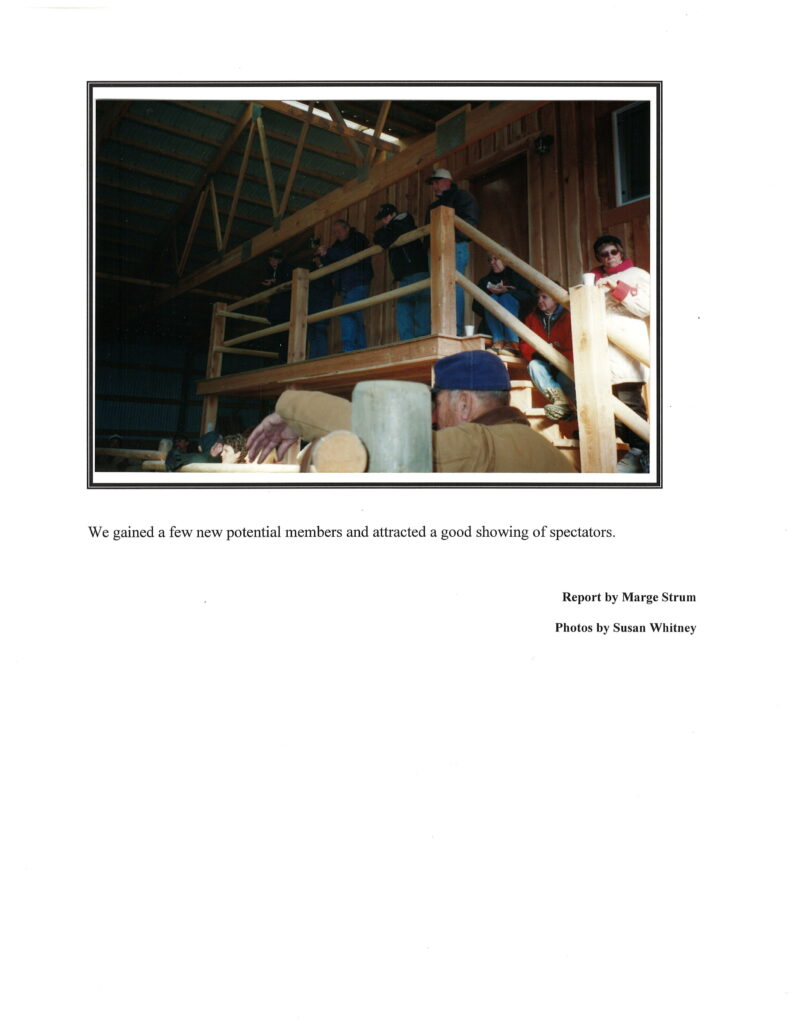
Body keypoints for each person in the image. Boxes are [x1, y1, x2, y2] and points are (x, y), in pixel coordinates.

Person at [246, 349, 575, 474]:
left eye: (437, 404)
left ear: (464, 404)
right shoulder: (546, 452)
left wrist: (291, 408)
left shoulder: (480, 444)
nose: (434, 418)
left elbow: (391, 444)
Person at [589, 235, 650, 473]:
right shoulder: (594, 281)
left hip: (627, 349)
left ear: (621, 252)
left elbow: (646, 307)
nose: (610, 257)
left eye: (613, 252)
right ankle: (634, 452)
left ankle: (643, 452)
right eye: (604, 254)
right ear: (599, 258)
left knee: (630, 401)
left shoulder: (638, 275)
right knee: (610, 407)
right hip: (601, 351)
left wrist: (618, 289)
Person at [424, 169, 480, 335]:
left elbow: (471, 221)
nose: (434, 186)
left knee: (453, 287)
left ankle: (454, 331)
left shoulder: (463, 197)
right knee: (436, 289)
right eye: (433, 183)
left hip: (455, 247)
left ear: (446, 181)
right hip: (434, 251)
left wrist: (453, 238)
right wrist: (428, 248)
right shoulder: (433, 206)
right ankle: (438, 330)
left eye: (436, 182)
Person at [373, 202, 431, 341]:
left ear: (394, 214)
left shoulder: (404, 219)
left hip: (417, 271)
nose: (384, 221)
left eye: (385, 217)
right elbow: (378, 239)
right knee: (404, 311)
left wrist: (387, 233)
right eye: (382, 219)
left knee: (420, 309)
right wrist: (387, 233)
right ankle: (407, 341)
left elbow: (388, 237)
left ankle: (422, 340)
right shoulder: (392, 227)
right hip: (405, 275)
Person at [520, 289, 576, 421]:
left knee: (563, 378)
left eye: (544, 297)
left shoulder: (569, 316)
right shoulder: (532, 317)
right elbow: (524, 344)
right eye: (538, 297)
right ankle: (561, 403)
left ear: (555, 299)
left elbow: (573, 346)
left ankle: (578, 410)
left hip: (565, 364)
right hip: (543, 361)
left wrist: (554, 356)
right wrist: (537, 354)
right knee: (534, 366)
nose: (539, 301)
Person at [317, 220, 373, 351]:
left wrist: (329, 251)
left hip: (358, 283)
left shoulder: (358, 238)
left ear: (347, 228)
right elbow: (331, 263)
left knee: (348, 314)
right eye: (335, 232)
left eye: (339, 231)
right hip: (346, 286)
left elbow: (349, 255)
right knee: (355, 316)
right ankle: (361, 349)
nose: (337, 234)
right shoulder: (337, 245)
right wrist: (324, 255)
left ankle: (349, 349)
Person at [473, 254, 536, 349]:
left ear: (505, 260)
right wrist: (491, 294)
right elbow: (475, 306)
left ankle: (512, 342)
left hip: (518, 322)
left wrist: (509, 291)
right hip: (492, 327)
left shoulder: (518, 276)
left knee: (506, 298)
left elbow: (532, 299)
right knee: (492, 299)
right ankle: (498, 340)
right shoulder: (485, 281)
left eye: (495, 259)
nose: (492, 262)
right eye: (490, 260)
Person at [261, 249, 293, 360]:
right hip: (276, 310)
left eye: (274, 260)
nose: (272, 262)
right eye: (270, 260)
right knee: (277, 336)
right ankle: (278, 359)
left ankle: (282, 359)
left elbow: (286, 282)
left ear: (280, 260)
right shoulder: (270, 272)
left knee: (283, 336)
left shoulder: (285, 268)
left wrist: (274, 282)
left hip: (282, 310)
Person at [306, 251, 335, 358]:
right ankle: (312, 359)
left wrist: (321, 265)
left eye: (317, 257)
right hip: (312, 307)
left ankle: (320, 358)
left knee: (320, 331)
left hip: (322, 306)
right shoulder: (310, 272)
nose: (315, 260)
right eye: (313, 257)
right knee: (312, 335)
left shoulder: (326, 269)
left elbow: (327, 283)